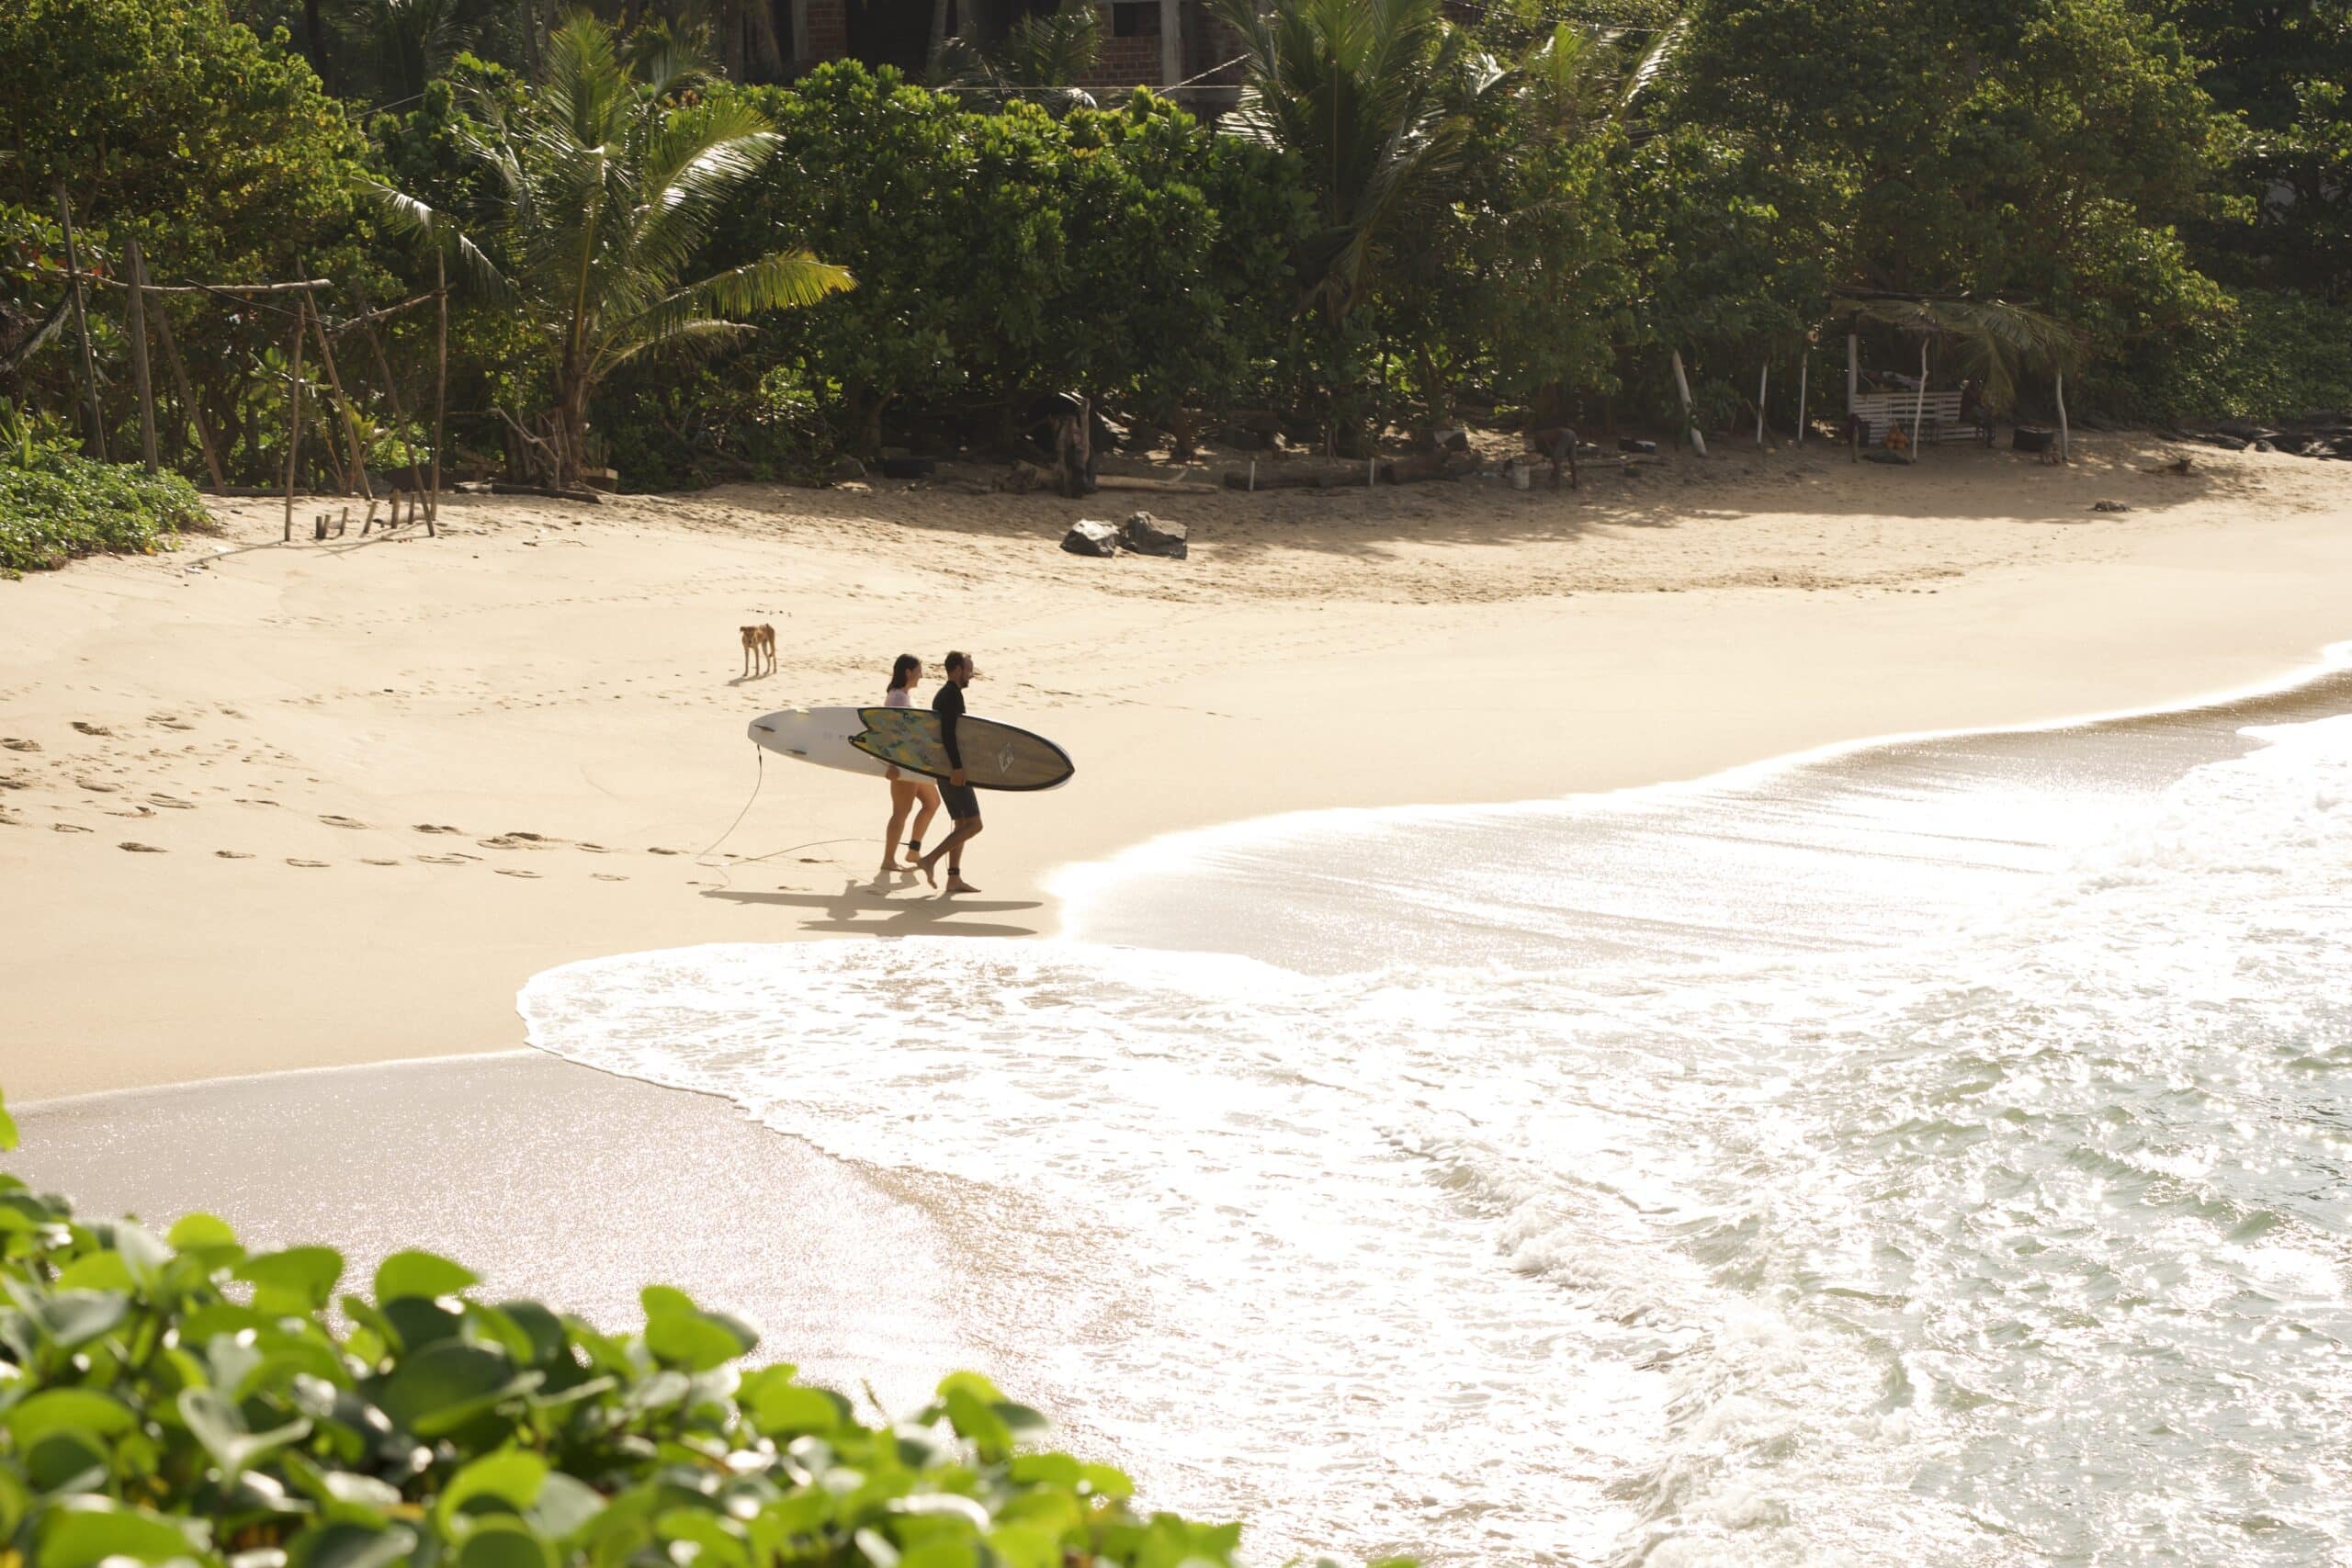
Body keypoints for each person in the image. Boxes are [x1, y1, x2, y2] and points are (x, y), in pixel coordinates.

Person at [918, 651, 983, 894]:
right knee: (975, 825)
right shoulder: (951, 696)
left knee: (962, 823)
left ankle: (954, 878)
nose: (971, 675)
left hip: (945, 769)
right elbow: (947, 734)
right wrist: (957, 767)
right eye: (968, 670)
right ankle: (930, 859)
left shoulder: (946, 695)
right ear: (956, 670)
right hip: (951, 770)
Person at [879, 654, 939, 876]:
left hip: (914, 764)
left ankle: (913, 851)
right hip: (903, 763)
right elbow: (891, 733)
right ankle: (888, 859)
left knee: (932, 802)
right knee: (901, 812)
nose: (921, 675)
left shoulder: (904, 696)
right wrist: (893, 764)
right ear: (908, 672)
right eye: (919, 670)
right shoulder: (897, 698)